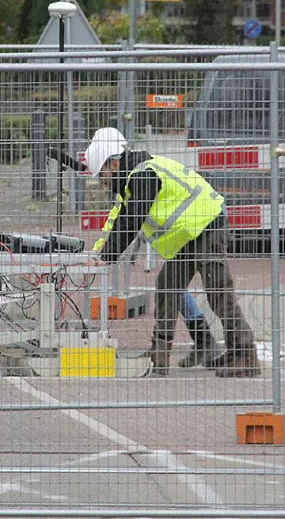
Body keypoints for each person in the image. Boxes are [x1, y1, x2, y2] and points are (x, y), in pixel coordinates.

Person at [81, 127, 259, 377]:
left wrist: (105, 258)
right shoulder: (131, 182)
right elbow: (117, 219)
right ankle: (159, 356)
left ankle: (246, 355)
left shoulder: (145, 176)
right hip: (188, 235)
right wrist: (98, 254)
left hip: (207, 225)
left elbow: (131, 220)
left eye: (102, 174)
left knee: (219, 292)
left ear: (113, 163)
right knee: (167, 287)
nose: (101, 181)